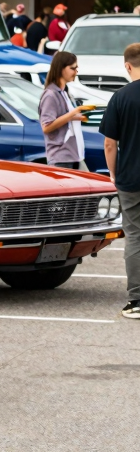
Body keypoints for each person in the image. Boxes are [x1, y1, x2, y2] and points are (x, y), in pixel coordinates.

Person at [101, 43, 140, 319]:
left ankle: (137, 300)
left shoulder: (121, 98)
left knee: (135, 237)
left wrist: (113, 173)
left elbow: (109, 144)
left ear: (128, 66)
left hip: (131, 178)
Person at [39, 51, 87, 170]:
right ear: (61, 69)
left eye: (76, 68)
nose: (76, 72)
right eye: (72, 68)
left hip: (74, 155)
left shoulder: (64, 92)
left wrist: (77, 116)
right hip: (61, 158)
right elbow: (47, 126)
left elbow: (65, 118)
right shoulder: (51, 95)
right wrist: (72, 114)